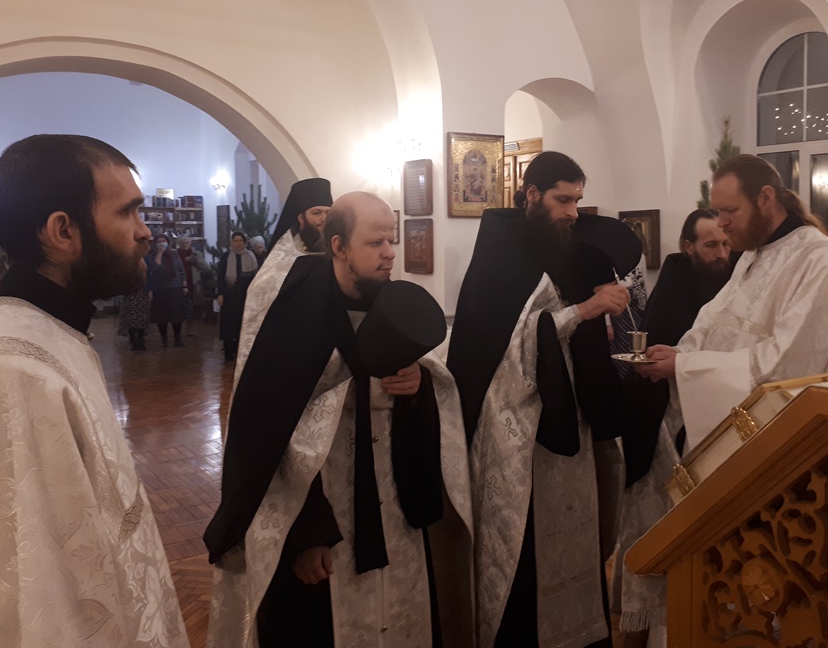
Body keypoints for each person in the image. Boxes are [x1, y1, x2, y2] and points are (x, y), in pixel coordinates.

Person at [204, 191, 472, 647]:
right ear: (338, 246)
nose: (389, 253)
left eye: (391, 241)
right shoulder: (296, 312)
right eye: (375, 243)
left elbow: (430, 389)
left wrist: (418, 385)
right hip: (323, 514)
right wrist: (306, 535)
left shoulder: (391, 304)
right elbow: (268, 428)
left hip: (394, 505)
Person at [0, 134, 188, 646]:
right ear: (63, 231)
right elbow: (36, 602)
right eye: (127, 213)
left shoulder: (41, 328)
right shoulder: (14, 374)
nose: (145, 232)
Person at [447, 151, 633, 648]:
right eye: (562, 200)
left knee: (575, 544)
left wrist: (598, 304)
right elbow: (508, 347)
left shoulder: (559, 246)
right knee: (527, 554)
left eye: (578, 200)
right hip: (520, 432)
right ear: (531, 194)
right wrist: (586, 310)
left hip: (570, 423)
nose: (573, 211)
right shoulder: (502, 253)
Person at [636, 154, 828, 450]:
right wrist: (679, 352)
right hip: (731, 422)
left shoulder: (818, 259)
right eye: (718, 211)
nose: (721, 222)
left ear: (766, 198)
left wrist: (685, 365)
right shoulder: (753, 253)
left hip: (781, 437)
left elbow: (788, 364)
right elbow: (714, 318)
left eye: (730, 210)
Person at [612, 209, 734, 647]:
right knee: (655, 531)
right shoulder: (675, 288)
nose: (721, 253)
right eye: (710, 245)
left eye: (725, 244)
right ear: (688, 247)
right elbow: (654, 363)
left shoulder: (735, 285)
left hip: (716, 426)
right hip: (666, 430)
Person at [234, 177, 332, 386]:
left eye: (328, 212)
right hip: (291, 351)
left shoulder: (339, 252)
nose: (324, 218)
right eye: (316, 212)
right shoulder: (282, 260)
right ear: (301, 217)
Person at [218, 230, 258, 362]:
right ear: (232, 242)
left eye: (241, 240)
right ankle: (228, 353)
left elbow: (256, 276)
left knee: (243, 322)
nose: (238, 243)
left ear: (245, 242)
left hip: (245, 295)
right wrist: (220, 294)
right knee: (229, 323)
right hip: (230, 294)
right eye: (235, 241)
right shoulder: (226, 256)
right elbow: (220, 276)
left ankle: (240, 351)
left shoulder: (251, 255)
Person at [147, 231, 188, 347]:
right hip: (160, 288)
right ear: (155, 244)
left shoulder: (174, 254)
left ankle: (177, 337)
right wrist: (159, 253)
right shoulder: (151, 255)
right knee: (162, 316)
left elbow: (181, 270)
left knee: (176, 314)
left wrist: (184, 285)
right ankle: (164, 339)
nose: (161, 243)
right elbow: (154, 268)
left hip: (175, 287)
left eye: (163, 241)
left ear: (168, 242)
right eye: (159, 241)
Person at [177, 234, 206, 333]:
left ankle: (190, 329)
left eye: (186, 242)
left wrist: (194, 260)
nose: (185, 244)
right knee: (178, 307)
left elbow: (205, 267)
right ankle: (178, 331)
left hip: (193, 283)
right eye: (182, 242)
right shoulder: (175, 254)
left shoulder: (196, 253)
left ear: (190, 242)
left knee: (192, 307)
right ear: (179, 243)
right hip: (179, 284)